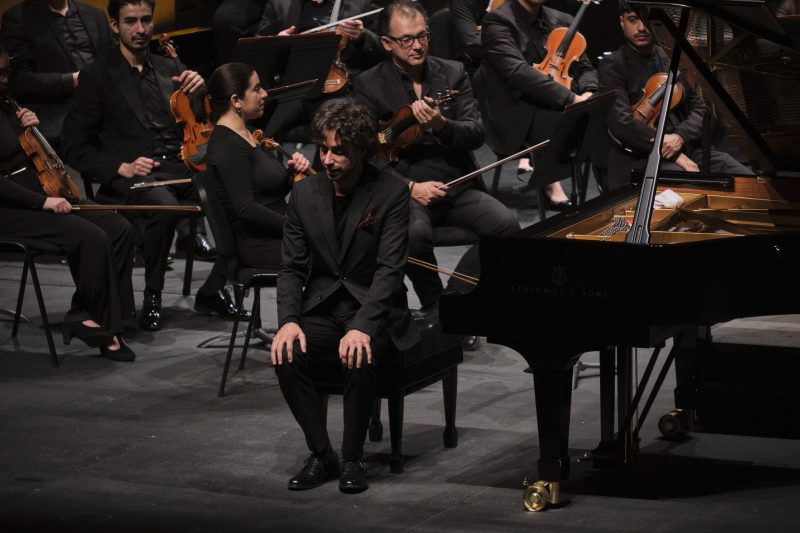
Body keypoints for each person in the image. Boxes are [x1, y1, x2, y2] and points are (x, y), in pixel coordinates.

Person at [60, 0, 243, 332]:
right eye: (131, 21)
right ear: (114, 25)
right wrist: (119, 167)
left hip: (180, 166)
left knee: (240, 196)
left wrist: (202, 93)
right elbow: (73, 145)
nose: (141, 29)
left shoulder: (169, 68)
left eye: (146, 20)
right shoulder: (97, 75)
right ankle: (153, 295)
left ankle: (214, 287)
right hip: (136, 175)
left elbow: (200, 121)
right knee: (164, 206)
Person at [270, 101, 420, 494]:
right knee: (286, 352)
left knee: (358, 352)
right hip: (323, 306)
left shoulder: (390, 192)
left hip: (374, 308)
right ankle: (323, 454)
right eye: (323, 149)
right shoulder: (304, 194)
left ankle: (352, 458)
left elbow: (390, 271)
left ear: (362, 151)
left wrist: (363, 327)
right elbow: (291, 269)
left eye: (339, 152)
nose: (328, 160)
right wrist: (288, 321)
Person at [354, 0, 519, 322]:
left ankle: (454, 301)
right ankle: (433, 302)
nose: (417, 46)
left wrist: (442, 125)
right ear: (386, 43)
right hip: (403, 189)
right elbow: (366, 154)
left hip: (455, 183)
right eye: (406, 39)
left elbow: (475, 133)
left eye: (422, 36)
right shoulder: (368, 84)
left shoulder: (453, 73)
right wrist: (410, 187)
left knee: (507, 226)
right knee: (412, 234)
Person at [0, 44, 135, 362]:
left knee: (118, 227)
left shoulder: (6, 103)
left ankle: (85, 314)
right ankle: (106, 331)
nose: (4, 80)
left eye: (6, 72)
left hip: (39, 194)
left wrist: (30, 127)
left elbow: (30, 152)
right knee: (90, 237)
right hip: (10, 207)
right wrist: (42, 203)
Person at [598, 2, 752, 190]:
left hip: (686, 147)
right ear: (622, 22)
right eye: (633, 20)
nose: (641, 27)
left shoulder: (672, 57)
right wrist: (673, 153)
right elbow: (622, 124)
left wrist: (681, 136)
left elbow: (702, 107)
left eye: (645, 20)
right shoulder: (612, 65)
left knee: (744, 178)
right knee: (691, 188)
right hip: (641, 157)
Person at [474, 0, 599, 208]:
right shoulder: (497, 21)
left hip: (555, 103)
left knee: (600, 119)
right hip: (516, 111)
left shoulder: (563, 20)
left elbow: (586, 68)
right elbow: (517, 72)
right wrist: (572, 99)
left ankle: (610, 196)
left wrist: (589, 92)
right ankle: (551, 184)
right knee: (568, 122)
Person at [204, 62, 310, 269]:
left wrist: (292, 173)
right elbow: (246, 208)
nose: (264, 94)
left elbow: (266, 192)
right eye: (257, 89)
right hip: (263, 245)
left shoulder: (248, 133)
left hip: (280, 233)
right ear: (236, 100)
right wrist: (296, 227)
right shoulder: (227, 145)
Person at [0, 0, 113, 146]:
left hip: (106, 104)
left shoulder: (95, 15)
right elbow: (19, 80)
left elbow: (113, 62)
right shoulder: (18, 17)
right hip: (59, 112)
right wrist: (73, 80)